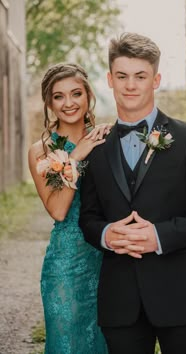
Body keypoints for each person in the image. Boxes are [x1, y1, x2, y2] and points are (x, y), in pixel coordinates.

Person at [79, 33, 186, 354]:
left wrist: (160, 236)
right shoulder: (95, 145)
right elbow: (88, 217)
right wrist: (107, 234)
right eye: (122, 76)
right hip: (120, 299)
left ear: (156, 79)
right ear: (110, 79)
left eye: (140, 76)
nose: (130, 85)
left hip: (182, 293)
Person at [28, 63, 109, 353]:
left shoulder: (106, 139)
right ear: (49, 102)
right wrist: (75, 156)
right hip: (66, 266)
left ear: (88, 95)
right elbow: (59, 211)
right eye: (59, 96)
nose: (69, 103)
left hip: (110, 262)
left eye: (76, 93)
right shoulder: (42, 151)